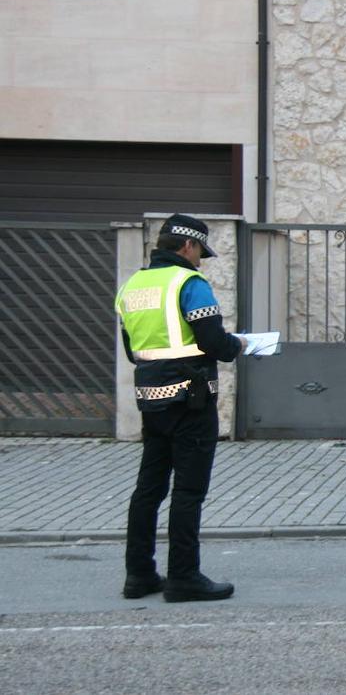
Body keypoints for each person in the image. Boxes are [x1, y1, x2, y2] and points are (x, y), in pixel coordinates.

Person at [115, 214, 243, 602]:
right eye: (201, 252)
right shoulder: (190, 283)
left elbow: (132, 351)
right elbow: (213, 344)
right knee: (188, 490)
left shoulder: (132, 285)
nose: (201, 260)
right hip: (192, 399)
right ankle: (183, 577)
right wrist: (237, 345)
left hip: (152, 399)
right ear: (187, 246)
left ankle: (139, 576)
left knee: (148, 489)